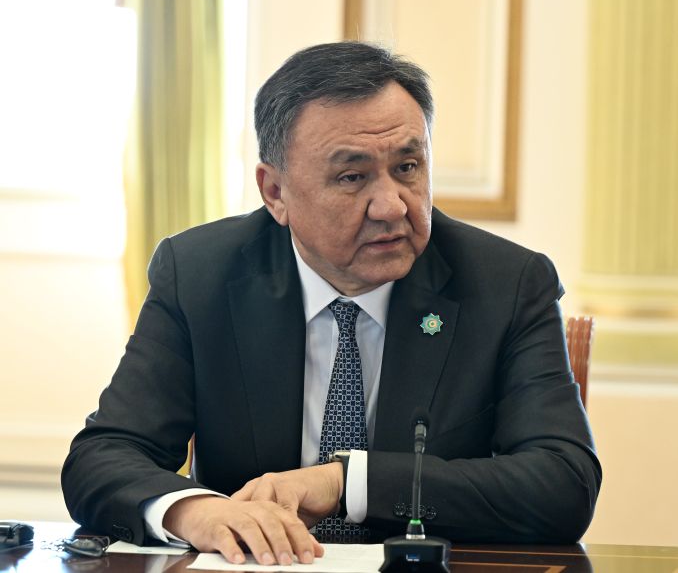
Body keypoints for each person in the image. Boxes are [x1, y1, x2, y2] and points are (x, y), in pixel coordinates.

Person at [62, 41, 601, 565]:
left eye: (407, 168)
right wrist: (193, 510)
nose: (391, 206)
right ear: (275, 192)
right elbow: (102, 456)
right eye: (352, 177)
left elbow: (563, 483)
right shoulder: (201, 275)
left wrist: (348, 481)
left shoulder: (506, 285)